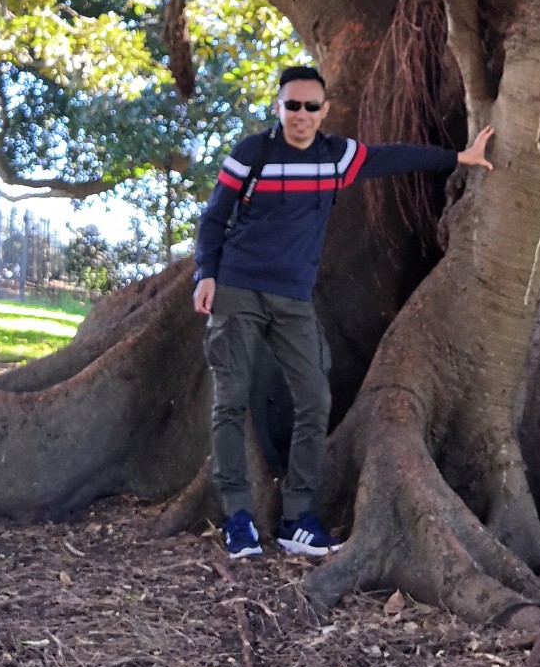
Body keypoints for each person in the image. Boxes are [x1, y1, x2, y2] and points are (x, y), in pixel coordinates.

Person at [193, 63, 494, 560]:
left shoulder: (337, 157)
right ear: (279, 107)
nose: (302, 115)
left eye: (312, 106)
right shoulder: (252, 154)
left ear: (325, 111)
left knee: (313, 397)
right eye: (293, 105)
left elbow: (394, 157)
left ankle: (297, 520)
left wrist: (460, 156)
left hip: (293, 298)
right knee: (230, 400)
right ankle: (238, 516)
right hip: (237, 291)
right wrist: (206, 273)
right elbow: (214, 218)